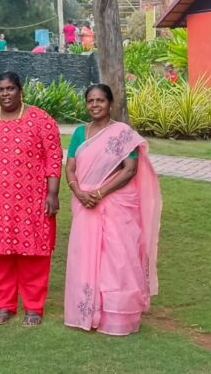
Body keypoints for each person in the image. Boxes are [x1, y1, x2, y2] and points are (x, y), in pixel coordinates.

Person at [0, 72, 62, 326]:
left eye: (10, 89)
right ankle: (4, 305)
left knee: (34, 255)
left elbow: (53, 157)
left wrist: (52, 193)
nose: (5, 94)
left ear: (21, 90)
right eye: (0, 89)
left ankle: (33, 307)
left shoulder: (41, 120)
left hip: (33, 200)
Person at [64, 85, 161, 335]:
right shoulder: (78, 133)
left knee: (117, 260)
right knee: (85, 255)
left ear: (110, 104)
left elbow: (129, 170)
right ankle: (86, 311)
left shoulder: (122, 134)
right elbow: (70, 167)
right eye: (90, 101)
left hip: (115, 204)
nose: (95, 105)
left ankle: (115, 317)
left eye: (100, 100)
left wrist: (99, 193)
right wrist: (78, 191)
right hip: (84, 204)